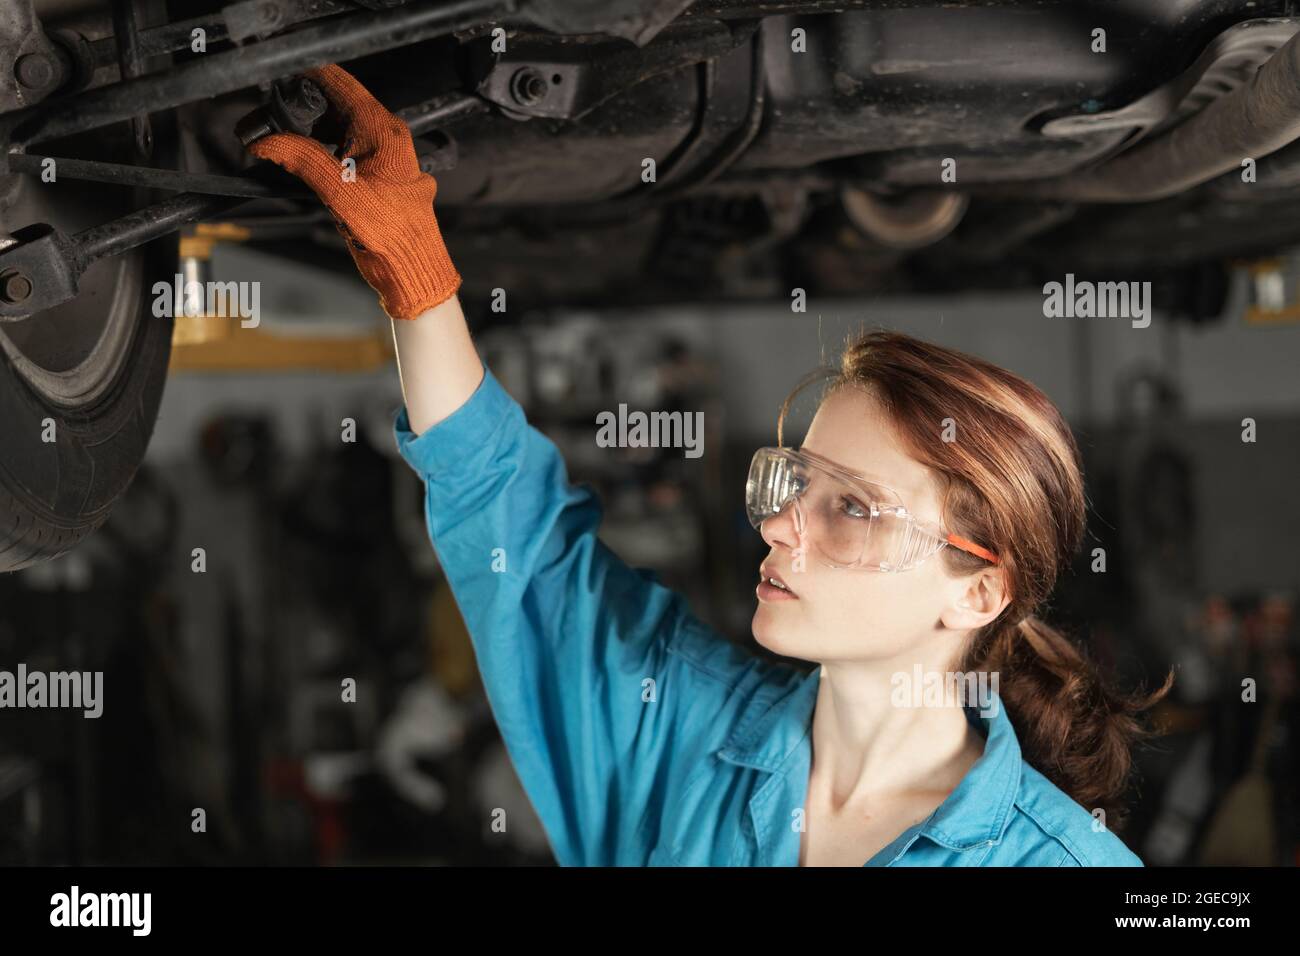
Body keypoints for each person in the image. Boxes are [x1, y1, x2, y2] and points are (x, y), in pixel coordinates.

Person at [249, 64, 1172, 866]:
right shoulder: (677, 723)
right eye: (796, 482)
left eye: (851, 508)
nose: (777, 524)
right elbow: (520, 546)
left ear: (976, 591)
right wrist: (417, 279)